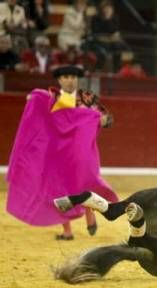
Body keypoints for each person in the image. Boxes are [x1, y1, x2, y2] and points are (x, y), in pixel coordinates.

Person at [6, 65, 117, 240]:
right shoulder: (51, 98)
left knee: (84, 180)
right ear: (59, 80)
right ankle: (67, 231)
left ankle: (89, 211)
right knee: (58, 189)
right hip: (57, 152)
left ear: (77, 79)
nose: (70, 80)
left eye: (73, 77)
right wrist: (33, 99)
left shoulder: (87, 98)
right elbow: (38, 109)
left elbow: (108, 118)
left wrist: (102, 120)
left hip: (81, 151)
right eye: (65, 77)